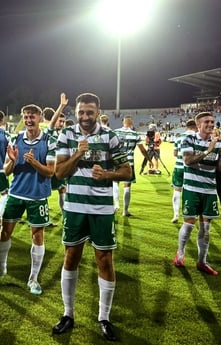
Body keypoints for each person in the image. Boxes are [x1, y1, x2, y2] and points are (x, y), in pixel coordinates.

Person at [52, 93, 131, 341]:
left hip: (102, 209)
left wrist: (107, 175)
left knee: (105, 260)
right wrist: (77, 154)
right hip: (74, 207)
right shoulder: (66, 134)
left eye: (90, 112)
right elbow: (59, 173)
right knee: (71, 257)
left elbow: (127, 171)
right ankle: (68, 314)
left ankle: (104, 317)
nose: (85, 117)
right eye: (81, 112)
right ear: (76, 113)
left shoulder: (110, 136)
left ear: (98, 112)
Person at [0, 103, 54, 295]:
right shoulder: (15, 139)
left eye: (32, 116)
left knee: (37, 236)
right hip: (15, 194)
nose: (28, 120)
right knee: (4, 233)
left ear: (40, 118)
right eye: (26, 117)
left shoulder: (49, 140)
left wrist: (34, 163)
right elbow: (6, 172)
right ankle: (1, 268)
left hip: (38, 196)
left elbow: (50, 172)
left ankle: (33, 279)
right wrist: (14, 160)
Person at [173, 112, 221, 276]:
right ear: (198, 125)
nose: (211, 124)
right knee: (189, 225)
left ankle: (202, 262)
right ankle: (180, 253)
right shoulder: (188, 139)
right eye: (207, 122)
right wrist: (207, 150)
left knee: (206, 229)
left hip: (210, 190)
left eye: (213, 122)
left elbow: (219, 168)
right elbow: (188, 161)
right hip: (192, 189)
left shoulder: (217, 143)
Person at [112, 115, 148, 217]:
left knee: (115, 182)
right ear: (131, 123)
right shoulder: (135, 134)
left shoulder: (115, 132)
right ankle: (125, 211)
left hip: (117, 161)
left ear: (123, 122)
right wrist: (149, 159)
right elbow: (142, 150)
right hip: (129, 163)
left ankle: (116, 204)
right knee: (127, 186)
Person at [170, 119, 197, 223]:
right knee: (192, 191)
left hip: (179, 167)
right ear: (195, 126)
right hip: (191, 168)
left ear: (186, 127)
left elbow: (175, 153)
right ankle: (192, 214)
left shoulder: (179, 137)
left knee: (177, 190)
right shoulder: (197, 137)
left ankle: (176, 214)